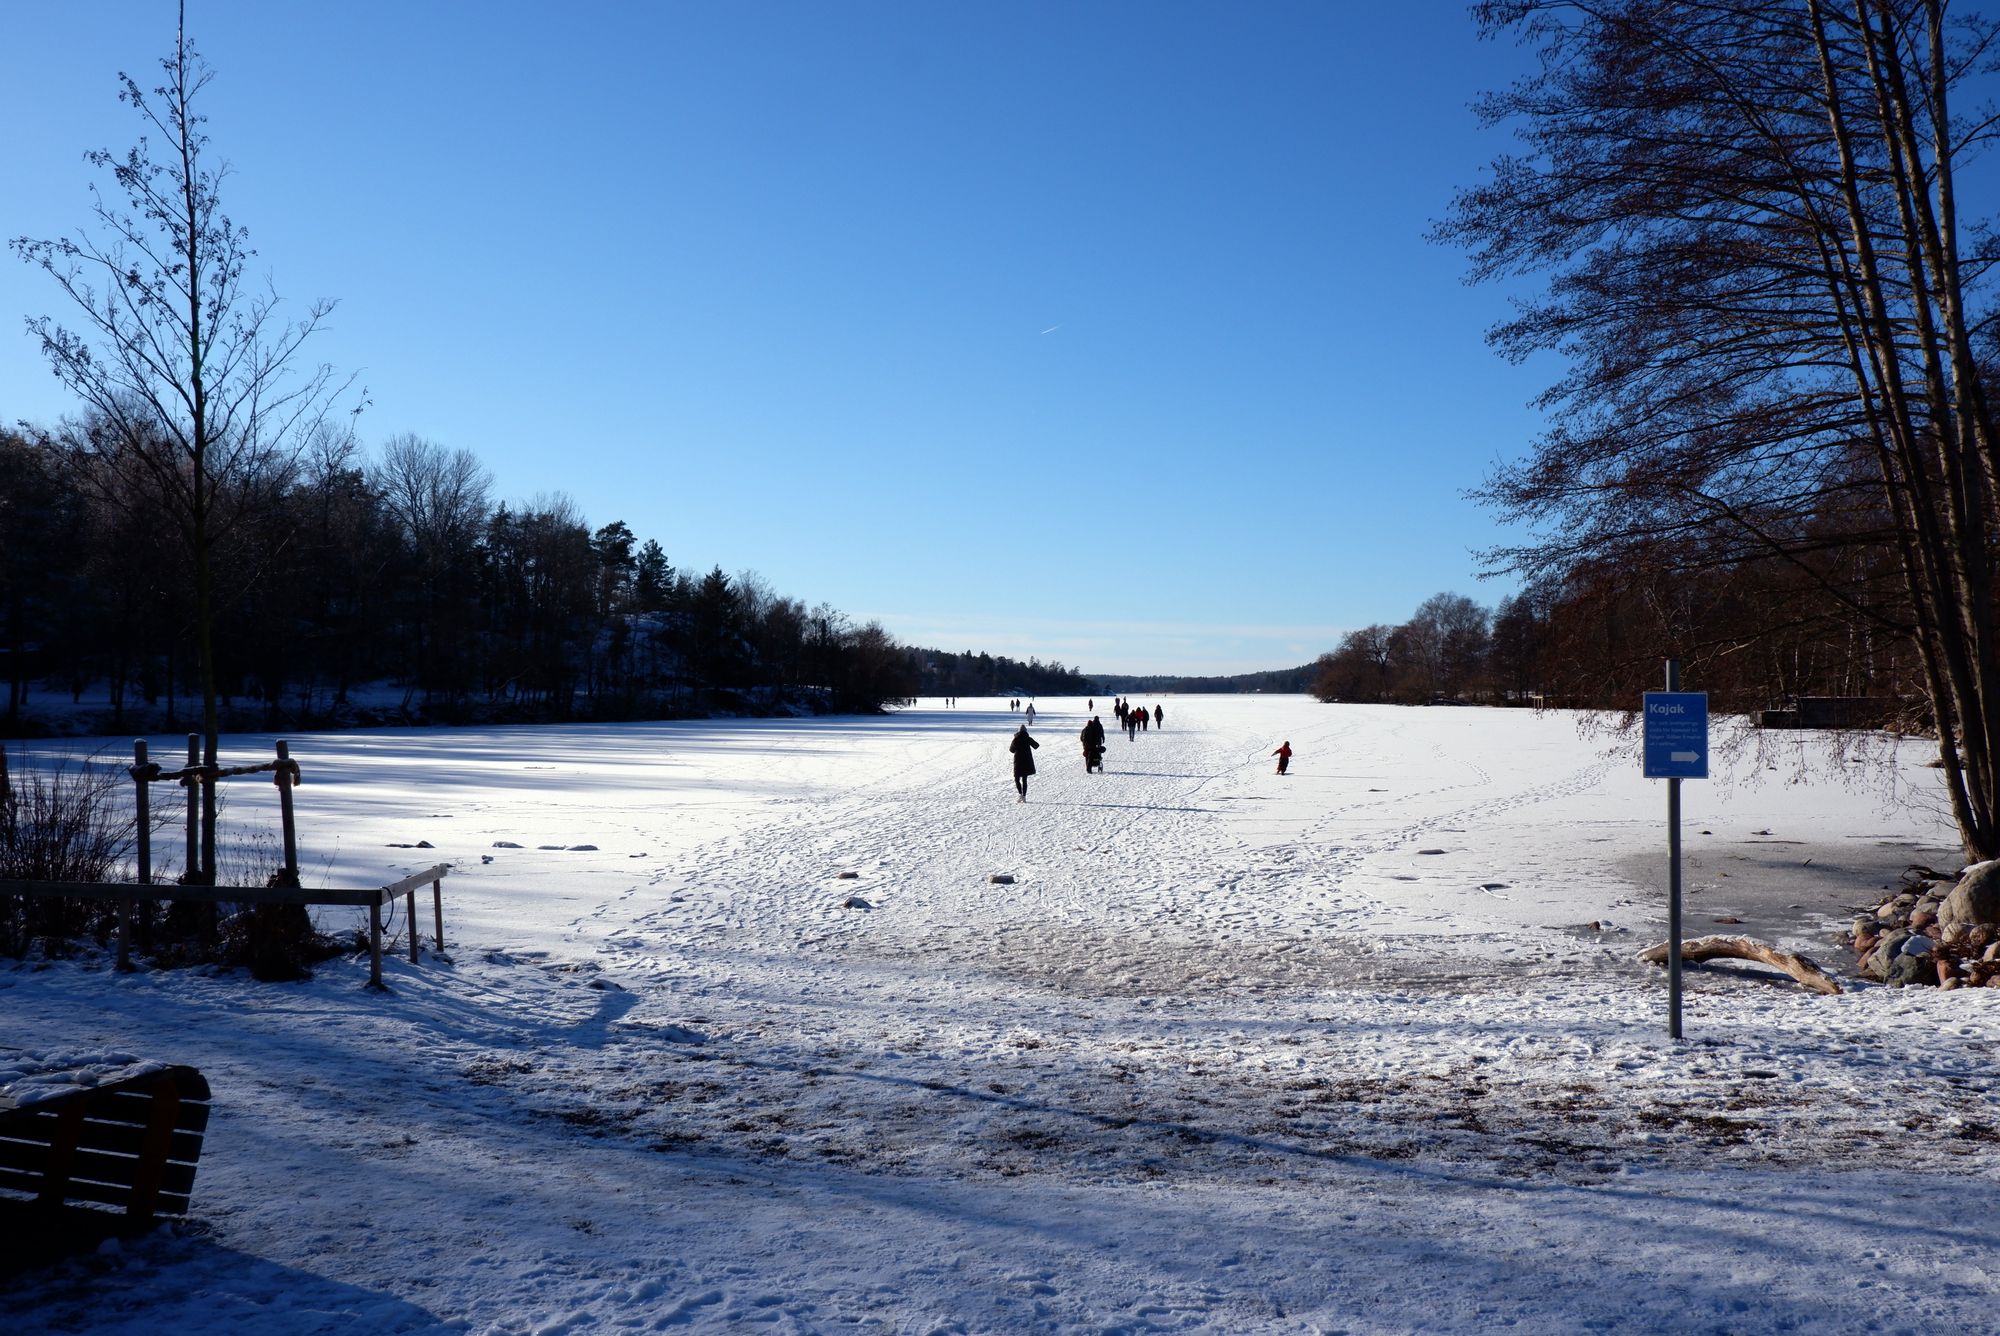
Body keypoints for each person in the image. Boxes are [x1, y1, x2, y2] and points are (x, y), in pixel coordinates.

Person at [1009, 724, 1040, 801]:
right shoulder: (1028, 738)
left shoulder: (1015, 739)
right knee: (1024, 779)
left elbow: (1011, 750)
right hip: (1026, 761)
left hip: (1018, 761)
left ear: (1018, 731)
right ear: (1026, 731)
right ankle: (1024, 796)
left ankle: (1020, 794)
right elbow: (1036, 746)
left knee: (1016, 779)